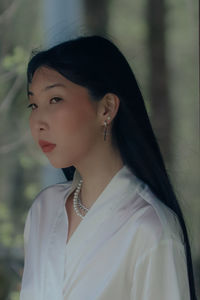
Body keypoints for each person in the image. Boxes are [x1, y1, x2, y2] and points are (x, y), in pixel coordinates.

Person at [19, 35, 197, 300]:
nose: (38, 122)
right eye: (34, 105)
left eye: (55, 100)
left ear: (107, 108)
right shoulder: (43, 212)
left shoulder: (150, 229)